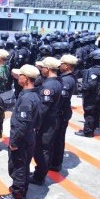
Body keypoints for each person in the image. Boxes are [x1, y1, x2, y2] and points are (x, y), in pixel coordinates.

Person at [0, 64, 42, 199]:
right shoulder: (34, 94)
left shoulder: (27, 99)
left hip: (22, 139)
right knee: (22, 165)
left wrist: (14, 142)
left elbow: (23, 124)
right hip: (29, 136)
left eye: (20, 75)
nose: (18, 77)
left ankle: (18, 195)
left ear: (26, 78)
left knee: (18, 166)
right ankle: (19, 188)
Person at [30, 57, 63, 185]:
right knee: (44, 148)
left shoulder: (49, 85)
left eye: (42, 67)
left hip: (46, 123)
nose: (41, 70)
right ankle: (40, 171)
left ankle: (39, 177)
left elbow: (42, 109)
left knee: (41, 150)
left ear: (48, 69)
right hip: (51, 120)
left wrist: (34, 124)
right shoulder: (56, 81)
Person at [50, 55, 78, 171]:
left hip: (60, 114)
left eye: (61, 64)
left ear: (67, 66)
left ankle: (55, 164)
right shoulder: (66, 77)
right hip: (61, 113)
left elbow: (61, 99)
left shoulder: (67, 80)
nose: (59, 65)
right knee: (56, 139)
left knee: (57, 139)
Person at [75, 49, 100, 137]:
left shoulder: (93, 71)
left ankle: (88, 132)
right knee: (97, 112)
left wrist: (80, 88)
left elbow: (91, 84)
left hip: (92, 96)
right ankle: (94, 127)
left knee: (89, 113)